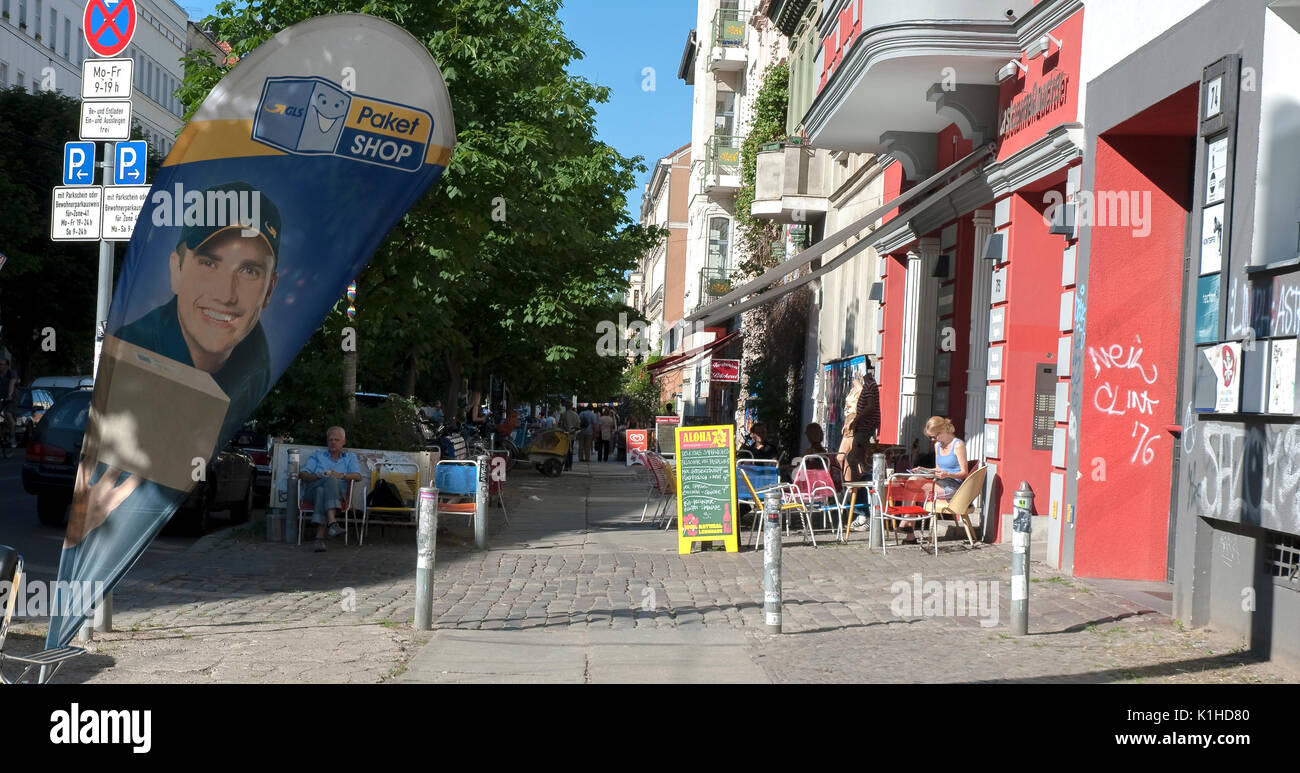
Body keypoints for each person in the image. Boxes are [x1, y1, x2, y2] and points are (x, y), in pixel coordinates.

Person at [115, 181, 281, 455]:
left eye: (249, 271)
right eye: (208, 263)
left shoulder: (258, 368)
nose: (225, 294)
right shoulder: (128, 355)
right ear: (176, 270)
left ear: (270, 289)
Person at [300, 426, 363, 552]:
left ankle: (319, 539)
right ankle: (332, 522)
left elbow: (358, 476)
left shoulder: (350, 457)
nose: (333, 442)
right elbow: (303, 474)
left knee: (322, 491)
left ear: (344, 442)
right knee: (326, 482)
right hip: (312, 490)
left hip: (337, 495)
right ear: (327, 441)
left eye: (336, 440)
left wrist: (341, 475)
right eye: (330, 440)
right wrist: (316, 476)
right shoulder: (318, 455)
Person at [0, 357, 17, 447]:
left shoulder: (11, 373)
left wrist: (9, 395)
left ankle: (12, 436)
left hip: (11, 398)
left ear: (6, 366)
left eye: (1, 364)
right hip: (1, 397)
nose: (0, 366)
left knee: (8, 413)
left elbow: (12, 383)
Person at [559, 401, 581, 470]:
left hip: (565, 435)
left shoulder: (563, 414)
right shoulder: (576, 415)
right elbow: (578, 426)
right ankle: (570, 465)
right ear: (571, 406)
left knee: (565, 451)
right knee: (570, 450)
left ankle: (566, 465)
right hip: (572, 435)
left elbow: (560, 424)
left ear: (566, 406)